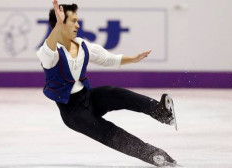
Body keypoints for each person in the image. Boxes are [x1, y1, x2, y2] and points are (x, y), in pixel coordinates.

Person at [36, 0, 178, 167]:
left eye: (77, 20)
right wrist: (58, 26)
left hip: (87, 97)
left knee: (115, 93)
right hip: (73, 113)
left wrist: (133, 59)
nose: (78, 25)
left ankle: (161, 112)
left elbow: (108, 59)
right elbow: (48, 48)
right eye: (73, 21)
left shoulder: (82, 45)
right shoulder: (49, 53)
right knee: (109, 132)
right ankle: (152, 155)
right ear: (60, 23)